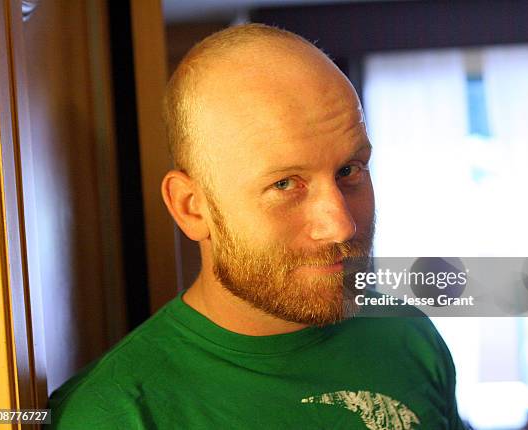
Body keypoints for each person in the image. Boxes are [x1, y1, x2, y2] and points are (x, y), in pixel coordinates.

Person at [47, 23, 465, 429]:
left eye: (349, 170)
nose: (340, 225)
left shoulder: (407, 335)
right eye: (285, 184)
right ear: (192, 208)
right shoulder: (113, 414)